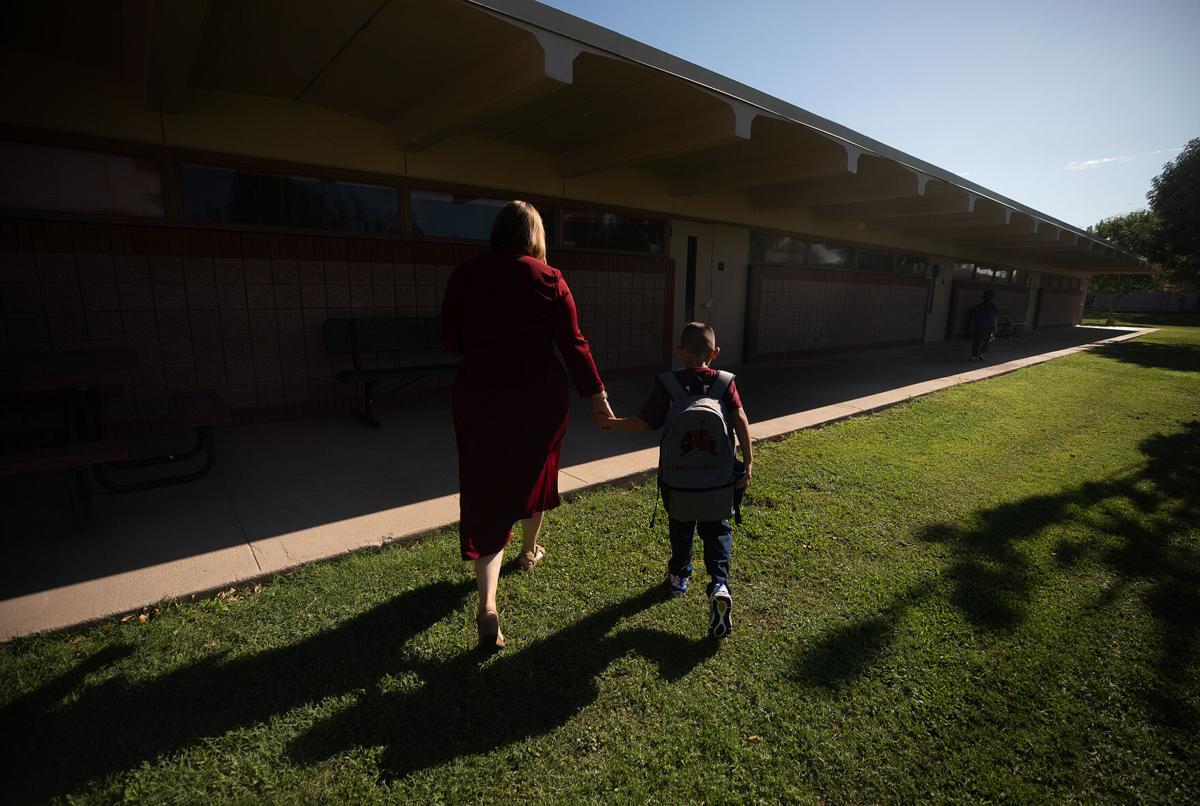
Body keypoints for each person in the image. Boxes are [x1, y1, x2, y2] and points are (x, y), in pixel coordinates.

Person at [440, 201, 613, 650]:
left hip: (478, 397)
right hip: (539, 399)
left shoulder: (465, 276)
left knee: (485, 490)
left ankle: (488, 605)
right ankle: (528, 551)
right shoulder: (549, 279)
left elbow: (450, 341)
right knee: (538, 472)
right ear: (535, 235)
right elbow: (574, 344)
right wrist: (597, 396)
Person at [598, 322, 752, 639]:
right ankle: (719, 584)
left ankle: (680, 575)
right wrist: (748, 462)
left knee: (681, 526)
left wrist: (612, 423)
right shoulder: (725, 382)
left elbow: (645, 423)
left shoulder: (668, 383)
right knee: (717, 529)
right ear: (715, 353)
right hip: (718, 479)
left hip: (677, 479)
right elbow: (740, 419)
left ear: (679, 351)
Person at [970, 290, 998, 361]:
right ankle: (981, 353)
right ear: (992, 298)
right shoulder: (993, 306)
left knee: (977, 341)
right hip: (989, 327)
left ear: (983, 297)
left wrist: (972, 326)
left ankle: (974, 356)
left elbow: (974, 318)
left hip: (978, 326)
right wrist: (995, 327)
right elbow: (995, 318)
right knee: (987, 341)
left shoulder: (978, 306)